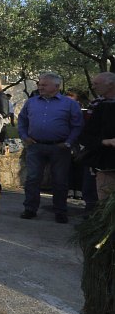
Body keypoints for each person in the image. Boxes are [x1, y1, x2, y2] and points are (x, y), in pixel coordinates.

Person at [18, 72, 83, 224]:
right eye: (39, 84)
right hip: (35, 146)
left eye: (44, 85)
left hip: (59, 147)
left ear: (56, 86)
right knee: (33, 178)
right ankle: (30, 209)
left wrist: (68, 142)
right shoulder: (31, 102)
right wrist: (24, 136)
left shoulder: (70, 104)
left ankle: (60, 211)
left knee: (60, 180)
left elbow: (77, 125)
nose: (40, 87)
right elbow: (22, 120)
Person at [78, 72, 115, 203]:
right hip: (101, 161)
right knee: (94, 195)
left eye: (96, 84)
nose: (93, 87)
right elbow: (86, 135)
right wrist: (105, 142)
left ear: (110, 84)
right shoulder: (98, 105)